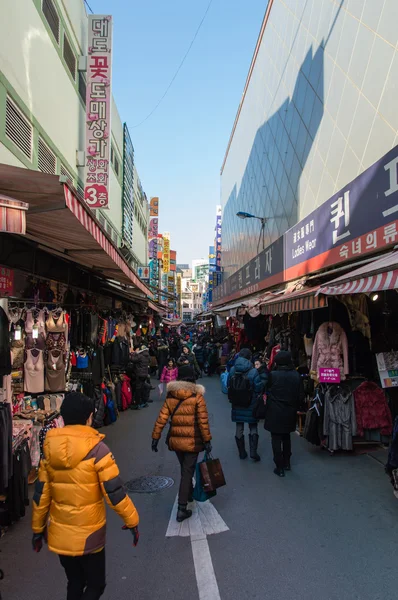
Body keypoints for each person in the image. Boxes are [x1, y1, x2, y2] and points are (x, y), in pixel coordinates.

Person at [31, 392, 139, 600]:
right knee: (96, 585)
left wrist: (37, 529)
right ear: (89, 417)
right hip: (90, 534)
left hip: (61, 534)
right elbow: (115, 493)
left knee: (75, 581)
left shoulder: (50, 449)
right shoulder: (98, 450)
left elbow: (41, 494)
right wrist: (132, 521)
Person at [151, 378, 212, 523]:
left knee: (185, 469)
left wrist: (155, 437)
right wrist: (207, 440)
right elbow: (203, 422)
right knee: (187, 471)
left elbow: (162, 418)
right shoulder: (197, 397)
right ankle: (182, 508)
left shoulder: (171, 396)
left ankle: (189, 494)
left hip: (176, 441)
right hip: (193, 441)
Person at [264, 351, 304, 477]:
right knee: (286, 437)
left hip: (275, 410)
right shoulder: (296, 375)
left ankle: (279, 466)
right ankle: (287, 462)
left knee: (276, 438)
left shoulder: (273, 375)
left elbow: (266, 390)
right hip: (289, 410)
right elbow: (300, 395)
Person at [228, 348, 263, 461]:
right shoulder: (253, 371)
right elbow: (258, 387)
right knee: (253, 426)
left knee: (239, 426)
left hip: (237, 402)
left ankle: (242, 453)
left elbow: (228, 384)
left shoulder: (233, 369)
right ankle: (253, 452)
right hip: (250, 402)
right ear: (249, 357)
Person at [128, 344, 151, 408]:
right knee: (143, 387)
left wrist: (132, 353)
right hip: (145, 374)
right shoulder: (147, 356)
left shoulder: (140, 356)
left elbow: (132, 359)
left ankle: (137, 404)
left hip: (139, 374)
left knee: (138, 389)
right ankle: (143, 402)